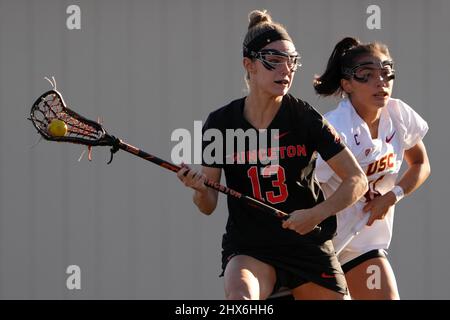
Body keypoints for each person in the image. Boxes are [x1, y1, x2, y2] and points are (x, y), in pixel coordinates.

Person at [177, 11, 368, 300]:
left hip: (307, 246)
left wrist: (315, 214)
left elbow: (357, 180)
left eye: (291, 61)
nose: (286, 70)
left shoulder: (305, 118)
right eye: (274, 61)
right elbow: (207, 204)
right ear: (249, 65)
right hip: (251, 248)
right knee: (241, 300)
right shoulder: (220, 123)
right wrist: (199, 189)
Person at [314, 37, 431, 299]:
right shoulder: (335, 128)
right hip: (320, 247)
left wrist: (391, 197)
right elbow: (305, 186)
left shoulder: (399, 116)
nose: (381, 82)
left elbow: (421, 164)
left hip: (364, 245)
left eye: (387, 73)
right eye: (367, 75)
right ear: (347, 85)